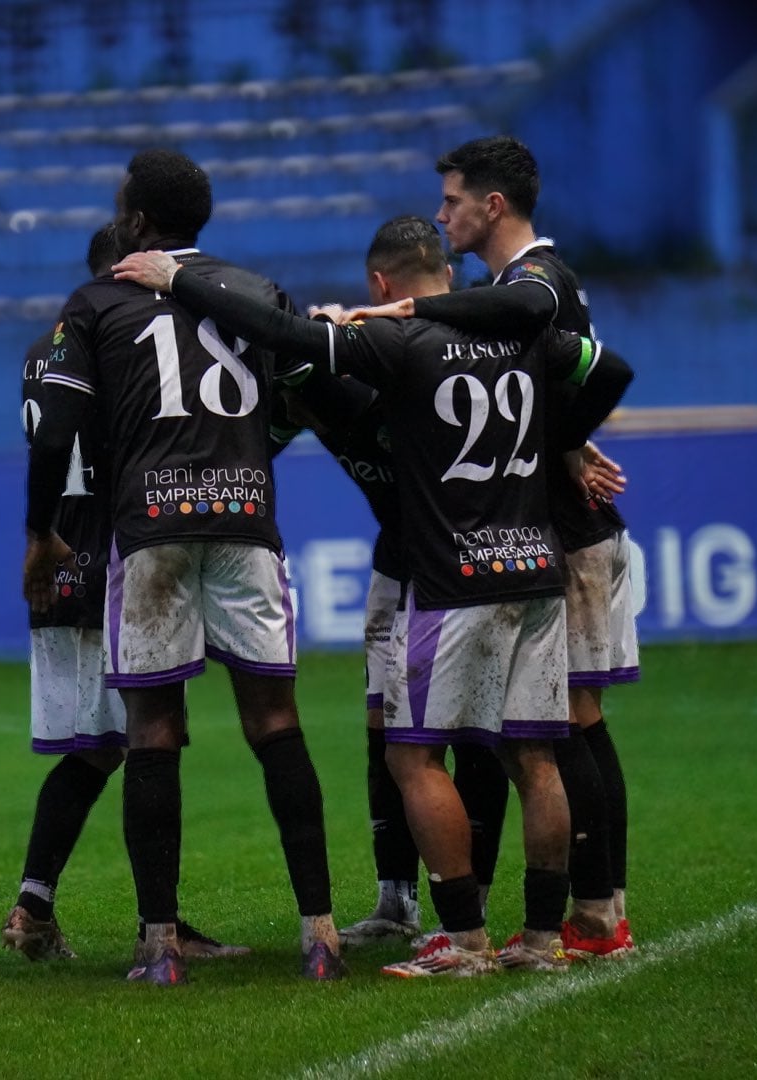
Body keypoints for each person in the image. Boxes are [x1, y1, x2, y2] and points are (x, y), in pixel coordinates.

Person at [113, 226, 633, 976]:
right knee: (534, 754)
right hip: (533, 567)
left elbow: (278, 330)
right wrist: (564, 437)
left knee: (412, 754)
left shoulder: (402, 345)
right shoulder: (522, 333)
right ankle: (547, 937)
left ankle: (462, 939)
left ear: (384, 287)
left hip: (451, 576)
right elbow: (609, 366)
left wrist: (178, 277)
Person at [23, 150, 343, 985]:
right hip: (245, 518)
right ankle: (321, 936)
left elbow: (56, 433)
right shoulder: (258, 291)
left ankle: (159, 947)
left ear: (134, 222)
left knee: (153, 731)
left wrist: (38, 537)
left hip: (151, 526)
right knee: (277, 724)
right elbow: (311, 390)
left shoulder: (97, 301)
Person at [356, 135, 639, 958]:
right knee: (541, 733)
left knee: (571, 725)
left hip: (570, 541)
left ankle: (596, 912)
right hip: (539, 540)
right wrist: (565, 439)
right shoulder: (505, 290)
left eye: (451, 202)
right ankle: (578, 913)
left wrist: (411, 309)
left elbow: (590, 359)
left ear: (493, 206)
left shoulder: (537, 284)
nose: (440, 217)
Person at [3, 224, 249, 963]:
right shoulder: (122, 341)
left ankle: (38, 909)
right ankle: (153, 928)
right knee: (141, 741)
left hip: (59, 565)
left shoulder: (45, 349)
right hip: (116, 565)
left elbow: (51, 443)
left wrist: (39, 535)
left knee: (104, 746)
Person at [269, 218, 511, 947]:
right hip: (407, 564)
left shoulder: (390, 356)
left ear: (379, 287)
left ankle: (463, 907)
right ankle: (399, 901)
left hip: (458, 566)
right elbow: (263, 435)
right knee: (399, 732)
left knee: (461, 736)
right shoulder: (336, 374)